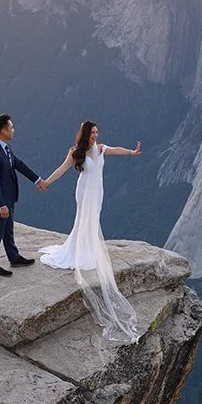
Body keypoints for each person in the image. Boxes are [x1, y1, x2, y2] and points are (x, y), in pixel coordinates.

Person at [39, 120, 143, 344]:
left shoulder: (101, 148)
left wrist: (132, 153)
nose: (96, 135)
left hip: (98, 192)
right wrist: (46, 182)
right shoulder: (76, 152)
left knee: (93, 220)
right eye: (93, 132)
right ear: (86, 134)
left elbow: (115, 150)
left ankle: (86, 247)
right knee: (83, 221)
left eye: (97, 132)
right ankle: (80, 250)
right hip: (85, 190)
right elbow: (62, 169)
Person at [0, 113, 47, 277]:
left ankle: (14, 257)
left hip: (9, 198)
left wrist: (37, 180)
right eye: (11, 127)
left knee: (8, 230)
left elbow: (18, 164)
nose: (13, 130)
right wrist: (1, 205)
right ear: (3, 130)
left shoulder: (4, 147)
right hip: (1, 201)